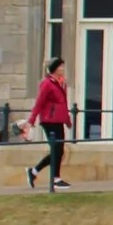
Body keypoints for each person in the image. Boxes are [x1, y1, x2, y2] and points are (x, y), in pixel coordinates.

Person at [24, 57, 72, 191]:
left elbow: (64, 103)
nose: (62, 69)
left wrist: (67, 120)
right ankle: (54, 178)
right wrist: (31, 121)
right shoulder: (47, 83)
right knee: (57, 149)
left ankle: (35, 171)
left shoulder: (62, 83)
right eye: (60, 66)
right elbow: (39, 102)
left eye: (62, 66)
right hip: (49, 120)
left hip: (58, 120)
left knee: (59, 150)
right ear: (54, 69)